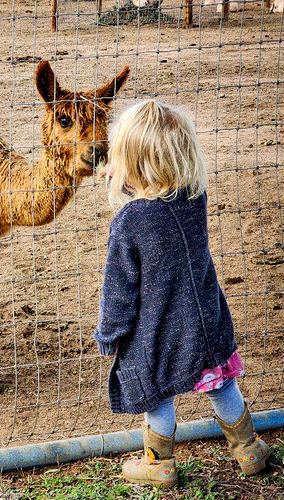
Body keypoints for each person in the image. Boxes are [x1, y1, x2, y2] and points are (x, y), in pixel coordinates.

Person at [94, 100, 269, 488]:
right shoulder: (193, 198)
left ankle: (159, 464)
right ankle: (249, 449)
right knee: (221, 381)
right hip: (206, 320)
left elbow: (119, 290)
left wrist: (109, 333)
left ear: (132, 163)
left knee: (157, 393)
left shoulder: (129, 222)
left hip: (158, 332)